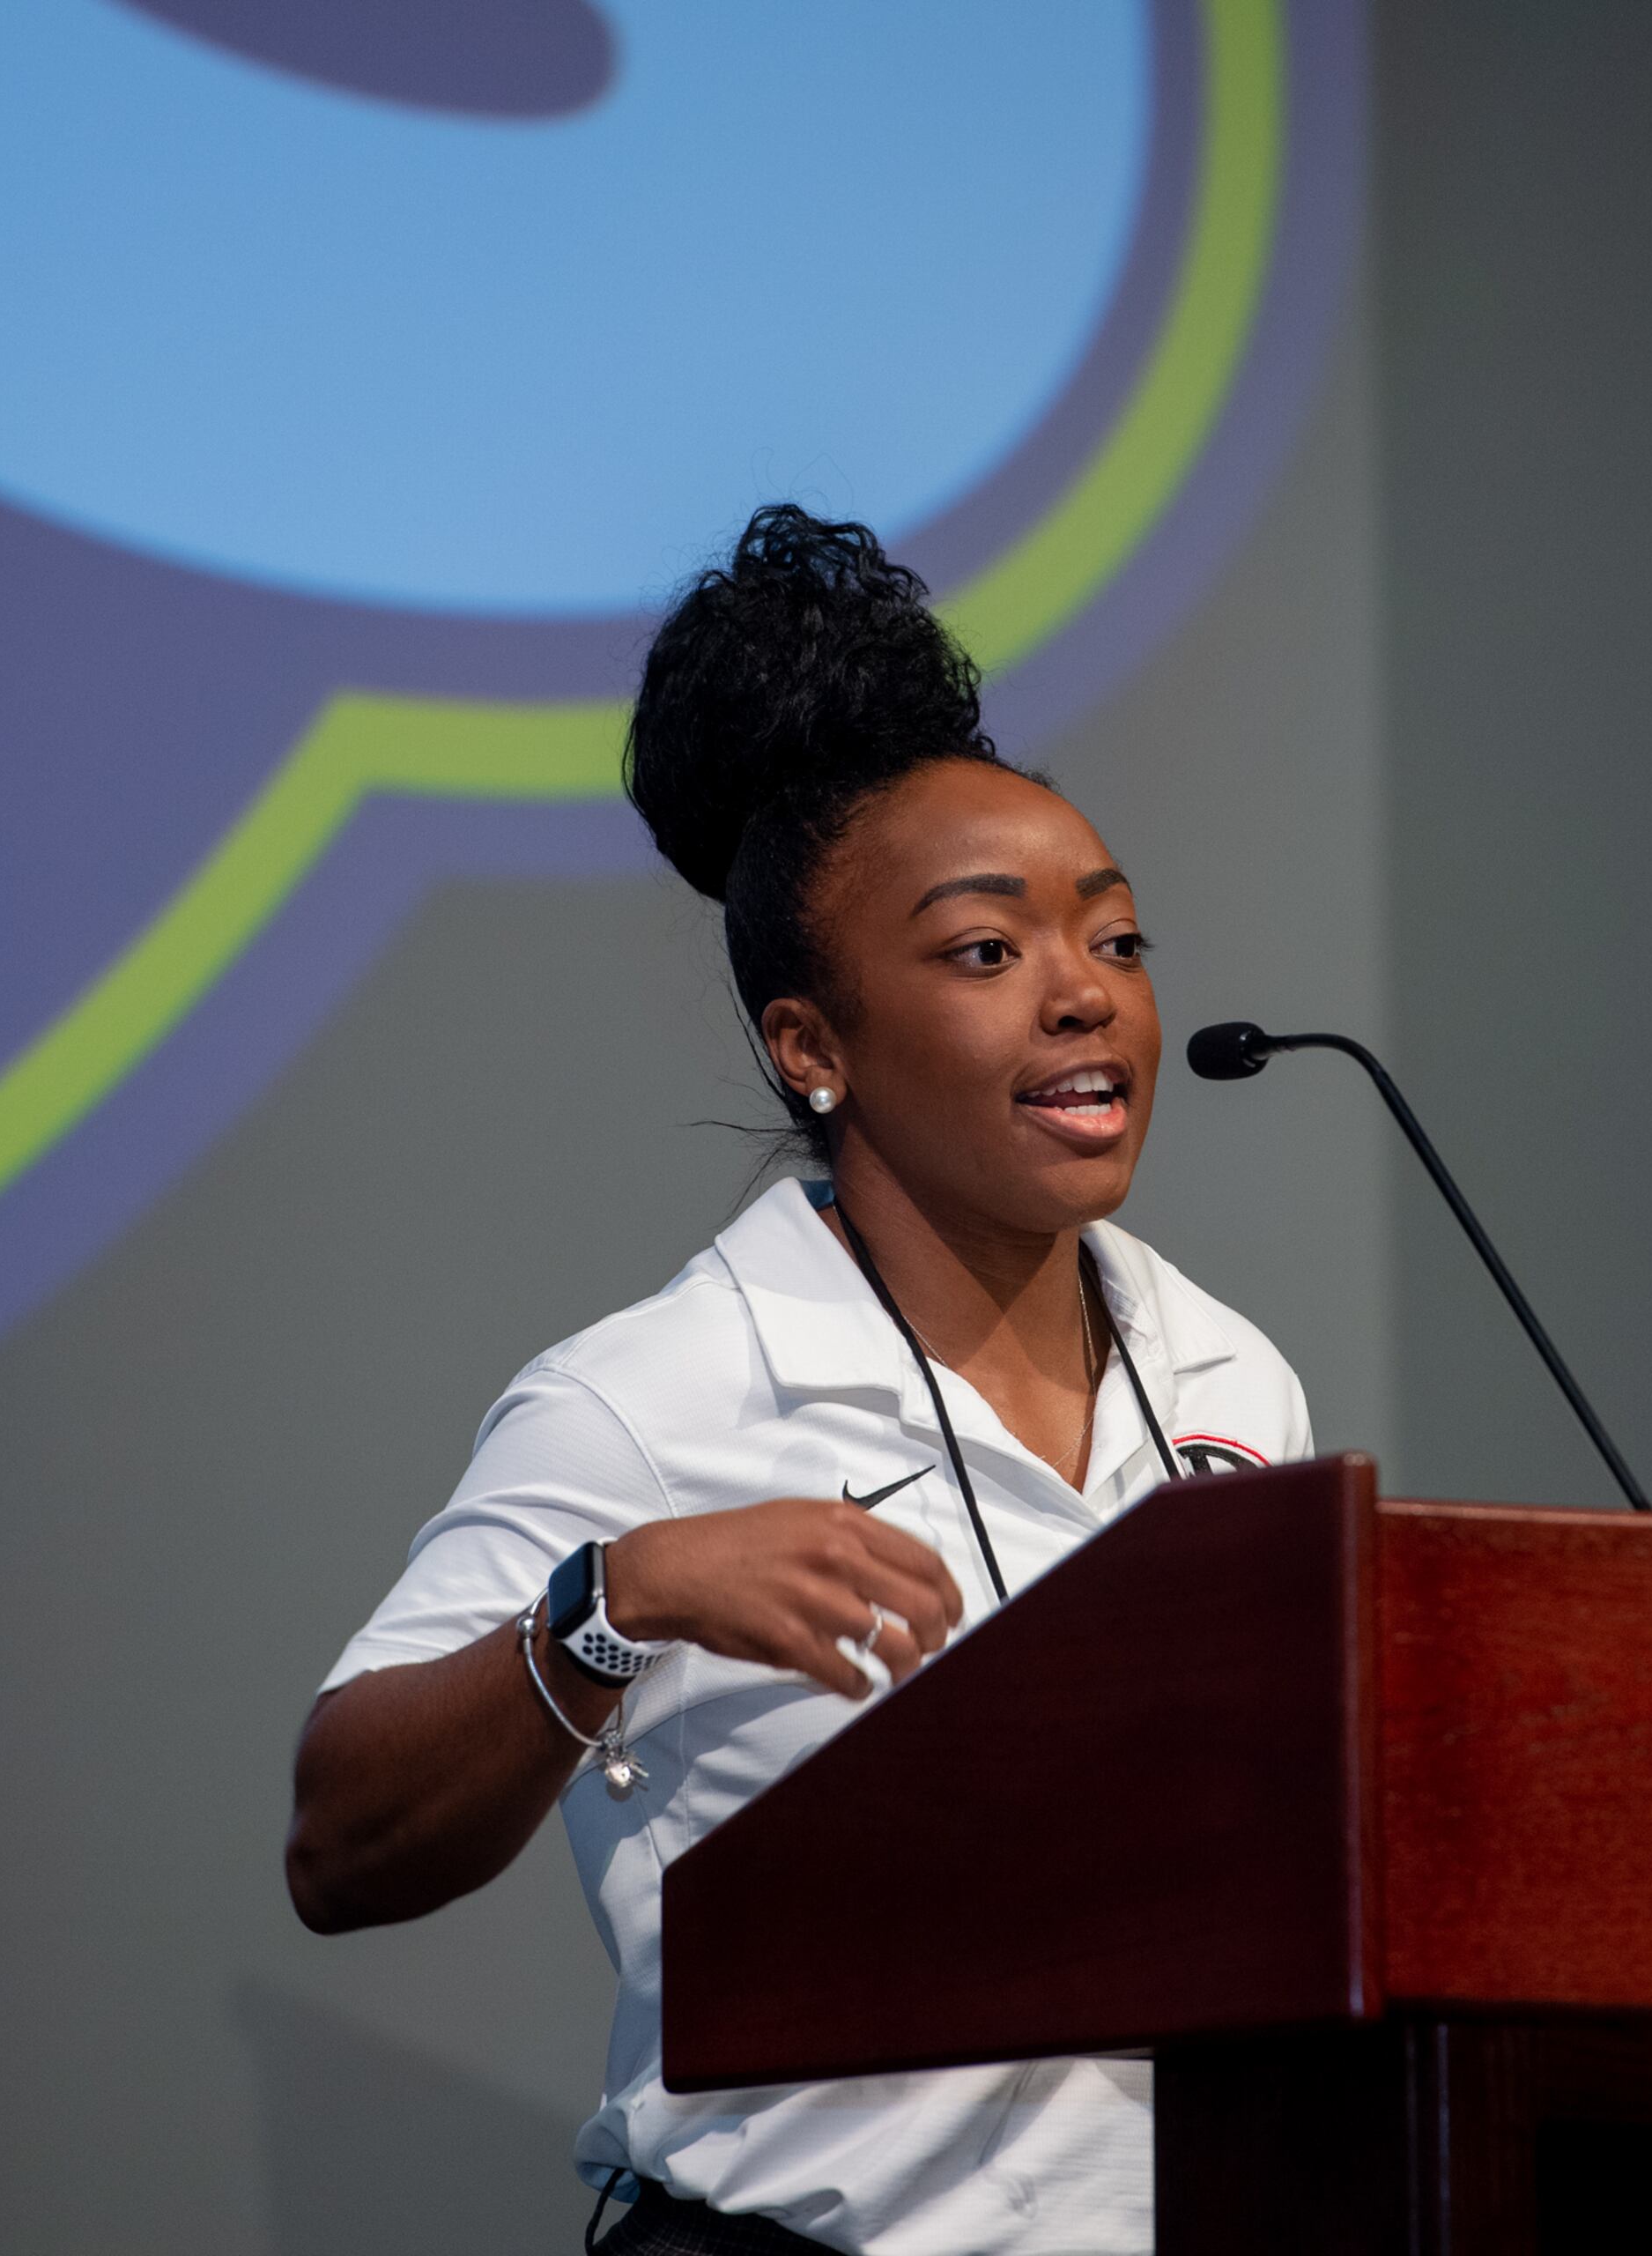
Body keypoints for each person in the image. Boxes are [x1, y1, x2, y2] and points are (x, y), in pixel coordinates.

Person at [283, 504, 1313, 2255]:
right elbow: (341, 1835)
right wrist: (611, 1602)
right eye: (991, 952)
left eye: (1116, 940)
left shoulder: (1233, 1374)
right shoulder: (651, 1395)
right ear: (813, 1045)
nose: (1084, 996)